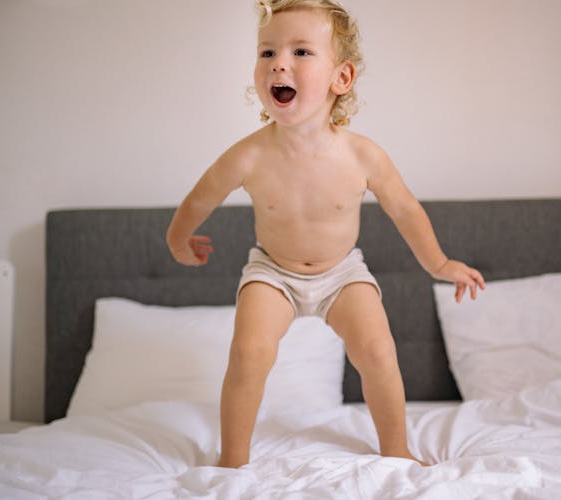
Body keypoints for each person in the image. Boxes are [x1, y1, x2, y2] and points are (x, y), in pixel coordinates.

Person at [166, 0, 485, 468]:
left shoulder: (362, 156)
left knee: (378, 348)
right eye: (267, 52)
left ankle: (395, 449)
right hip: (273, 272)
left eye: (300, 52)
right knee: (249, 352)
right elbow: (200, 198)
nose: (279, 62)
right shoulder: (248, 155)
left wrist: (439, 263)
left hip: (342, 273)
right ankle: (232, 461)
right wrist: (178, 239)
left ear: (342, 78)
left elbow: (405, 210)